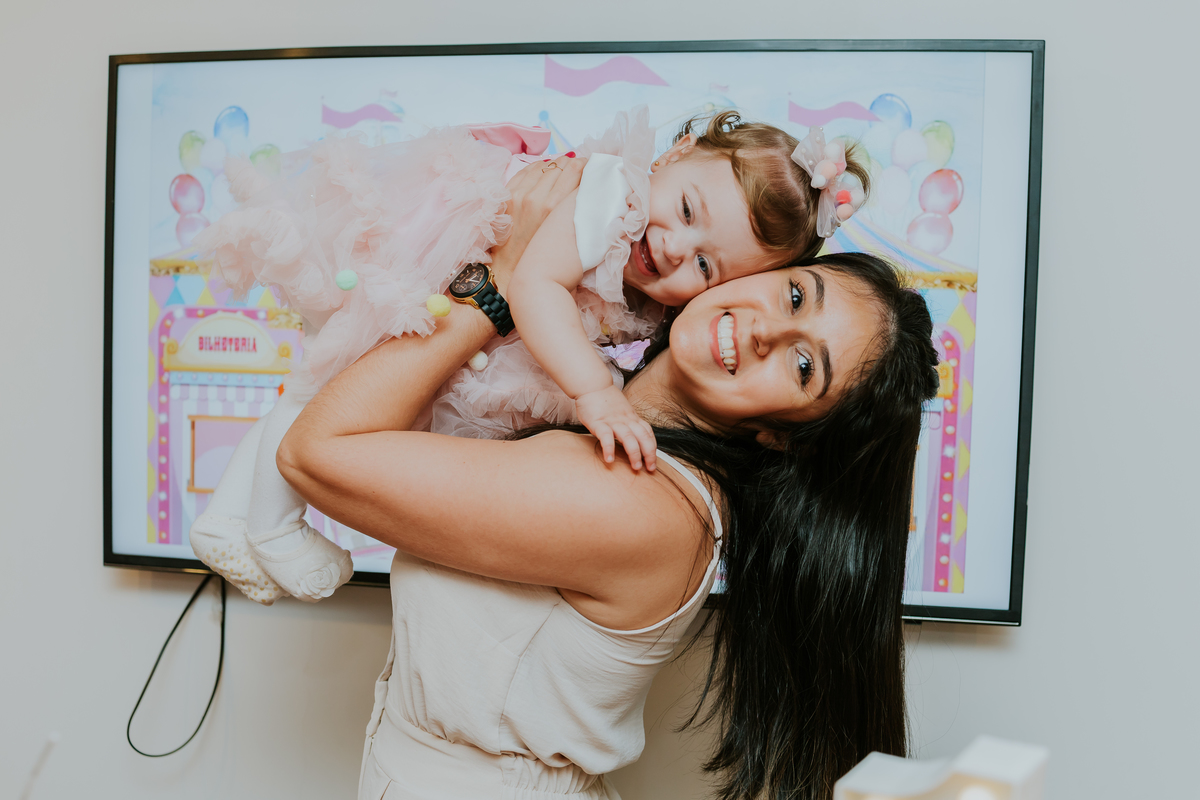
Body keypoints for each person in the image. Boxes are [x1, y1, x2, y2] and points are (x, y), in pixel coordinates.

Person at [272, 162, 940, 800]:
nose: (766, 330)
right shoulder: (596, 405)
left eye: (802, 367)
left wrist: (502, 280)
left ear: (783, 436)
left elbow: (316, 451)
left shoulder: (634, 494)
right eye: (795, 295)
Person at [189, 108, 871, 605]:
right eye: (686, 209)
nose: (672, 247)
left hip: (455, 290)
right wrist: (595, 395)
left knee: (331, 385)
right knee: (330, 382)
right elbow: (535, 286)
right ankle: (266, 525)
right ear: (674, 152)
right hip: (426, 250)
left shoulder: (645, 286)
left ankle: (230, 517)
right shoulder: (611, 200)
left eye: (705, 263)